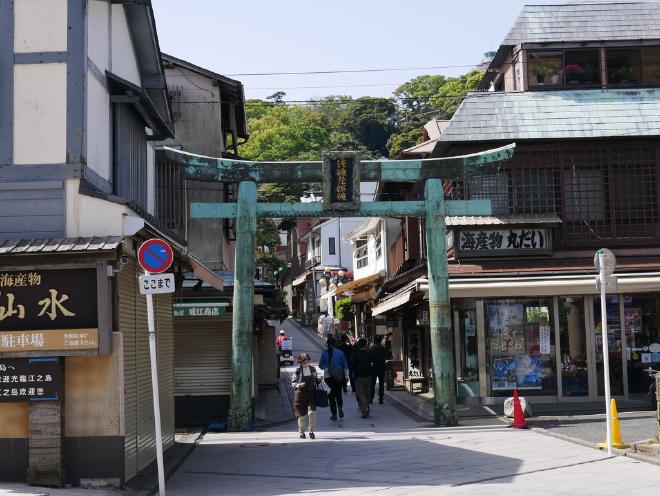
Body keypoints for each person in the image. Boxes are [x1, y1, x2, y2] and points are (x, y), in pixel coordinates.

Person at [318, 335, 349, 421]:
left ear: (327, 344)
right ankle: (340, 406)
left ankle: (334, 414)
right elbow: (345, 365)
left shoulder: (324, 353)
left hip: (328, 377)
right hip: (339, 376)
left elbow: (320, 366)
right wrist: (346, 376)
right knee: (338, 393)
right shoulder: (340, 353)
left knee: (331, 396)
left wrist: (326, 367)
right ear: (335, 344)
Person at [291, 352, 319, 439]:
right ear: (300, 362)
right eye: (303, 362)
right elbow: (293, 383)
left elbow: (315, 380)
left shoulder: (313, 369)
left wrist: (319, 380)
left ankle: (311, 431)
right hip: (300, 395)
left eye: (307, 361)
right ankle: (302, 432)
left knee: (312, 413)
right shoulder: (297, 371)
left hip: (311, 393)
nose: (305, 364)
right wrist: (298, 385)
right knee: (302, 416)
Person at [351, 338, 373, 418]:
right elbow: (372, 364)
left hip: (359, 377)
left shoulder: (355, 355)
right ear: (366, 345)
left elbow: (352, 366)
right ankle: (367, 407)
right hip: (369, 376)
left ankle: (365, 409)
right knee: (367, 393)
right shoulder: (369, 354)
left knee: (361, 394)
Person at [369, 335, 390, 404]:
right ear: (380, 340)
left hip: (373, 368)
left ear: (374, 340)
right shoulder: (383, 348)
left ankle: (371, 398)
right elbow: (386, 357)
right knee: (381, 383)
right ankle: (381, 398)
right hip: (381, 367)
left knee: (372, 383)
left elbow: (369, 359)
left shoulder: (371, 348)